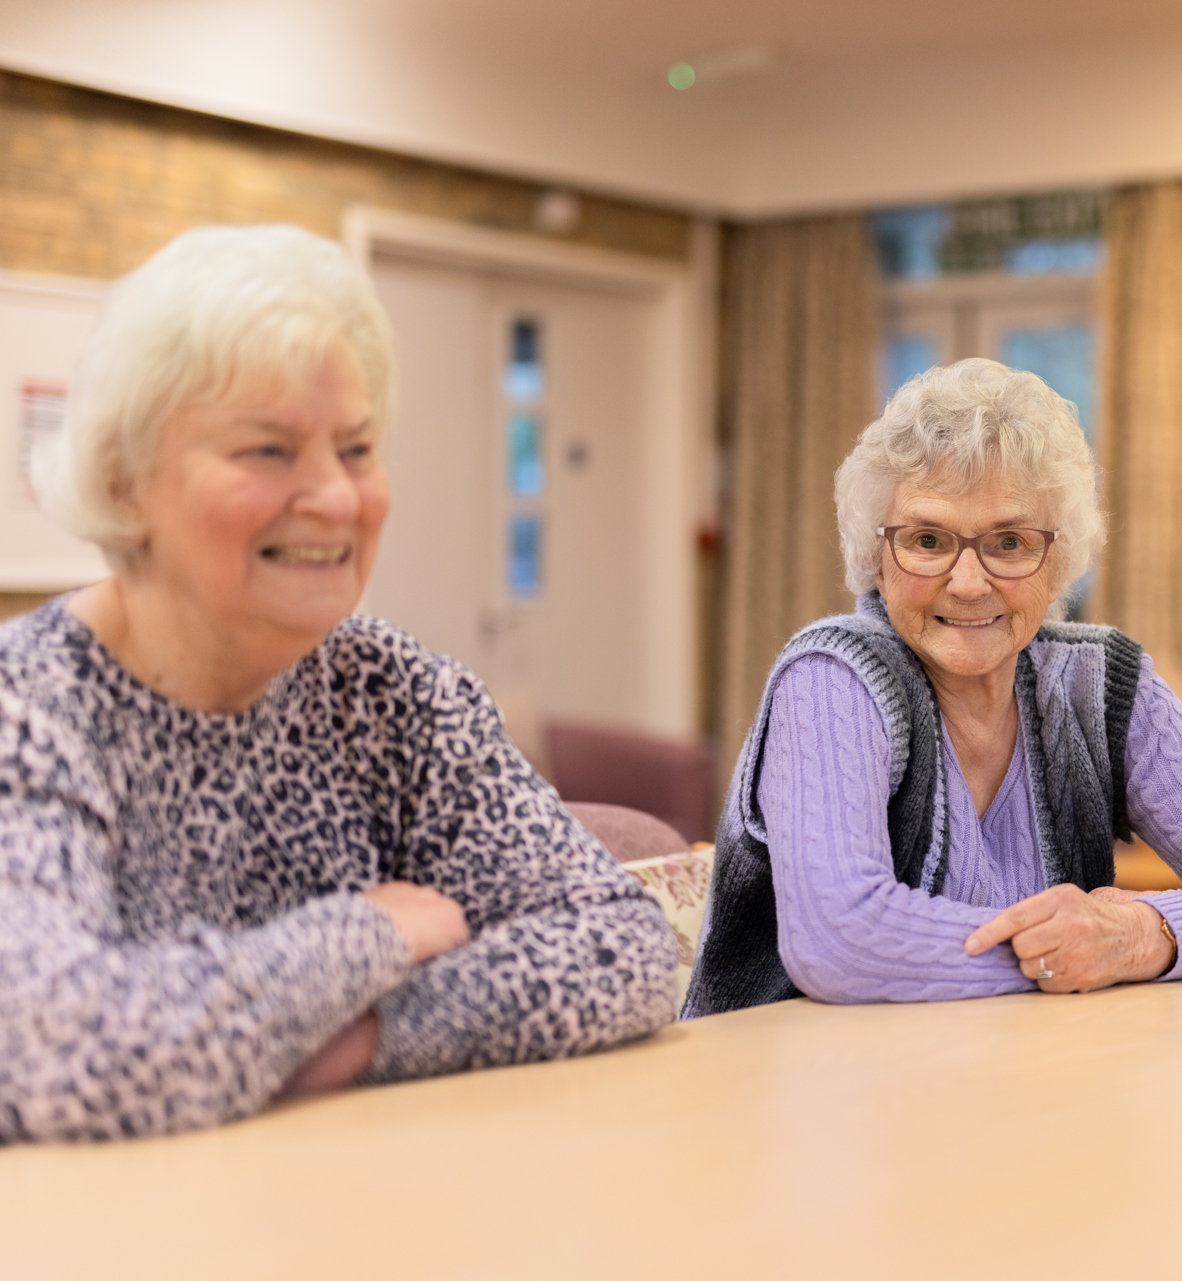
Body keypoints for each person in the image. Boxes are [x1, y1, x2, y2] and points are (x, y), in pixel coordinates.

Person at [0, 225, 679, 1143]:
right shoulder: (31, 710)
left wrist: (365, 1034)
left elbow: (622, 943)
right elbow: (52, 1051)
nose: (332, 495)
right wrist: (365, 936)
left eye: (356, 449)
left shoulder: (394, 691)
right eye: (268, 451)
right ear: (125, 485)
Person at [685, 359, 1182, 1016]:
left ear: (1058, 564)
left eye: (1009, 541)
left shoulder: (1100, 685)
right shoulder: (832, 681)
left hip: (1017, 1084)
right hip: (796, 1095)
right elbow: (840, 940)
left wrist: (1138, 935)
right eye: (927, 539)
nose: (968, 582)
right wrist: (1071, 952)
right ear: (875, 557)